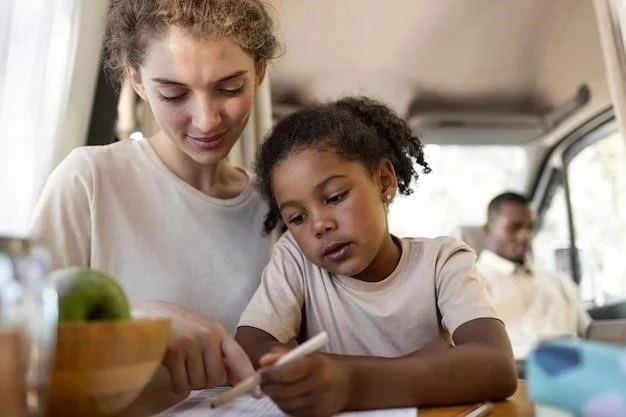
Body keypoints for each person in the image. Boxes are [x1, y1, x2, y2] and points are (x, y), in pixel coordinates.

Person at [30, 0, 278, 393]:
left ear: (259, 73)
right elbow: (17, 343)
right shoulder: (90, 180)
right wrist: (132, 327)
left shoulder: (277, 207)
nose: (206, 119)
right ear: (138, 80)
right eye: (175, 94)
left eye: (229, 88)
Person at [235, 96, 517, 416]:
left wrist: (351, 383)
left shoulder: (442, 261)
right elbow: (250, 347)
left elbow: (497, 364)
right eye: (297, 218)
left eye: (335, 197)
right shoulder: (296, 258)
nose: (319, 225)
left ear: (384, 181)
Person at [475, 192, 591, 375]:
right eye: (514, 227)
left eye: (530, 228)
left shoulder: (559, 280)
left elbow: (589, 334)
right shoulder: (473, 282)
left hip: (581, 377)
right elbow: (476, 358)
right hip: (516, 385)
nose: (524, 236)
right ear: (488, 230)